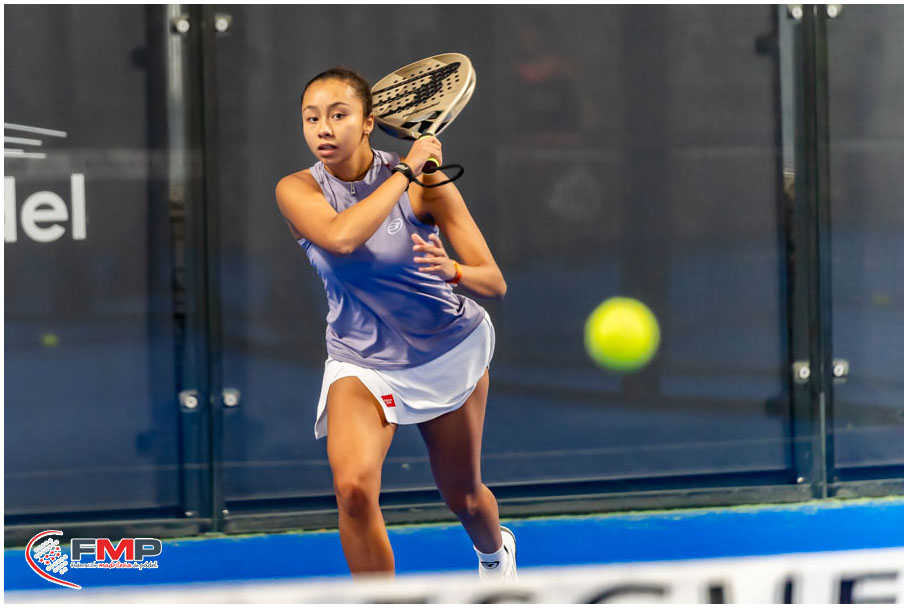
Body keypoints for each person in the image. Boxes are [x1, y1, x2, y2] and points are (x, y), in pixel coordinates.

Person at [274, 67, 515, 580]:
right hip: (361, 359)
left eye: (339, 115)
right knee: (353, 490)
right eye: (311, 118)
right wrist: (404, 171)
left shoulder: (428, 185)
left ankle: (496, 556)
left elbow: (493, 282)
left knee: (464, 497)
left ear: (367, 123)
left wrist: (453, 271)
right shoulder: (297, 190)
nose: (323, 128)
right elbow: (341, 238)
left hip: (445, 350)